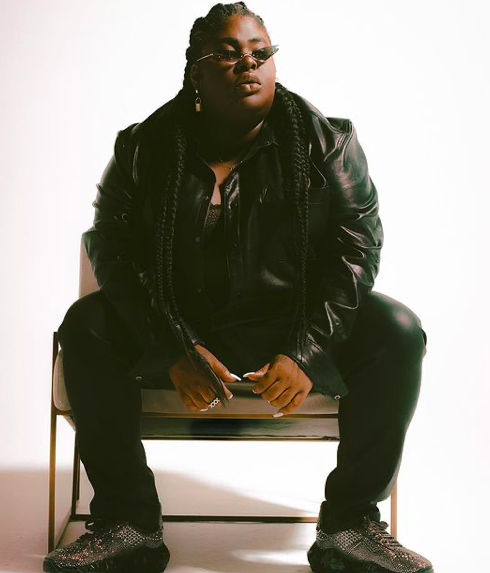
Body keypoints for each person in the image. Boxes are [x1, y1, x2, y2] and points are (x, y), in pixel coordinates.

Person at [43, 3, 434, 573]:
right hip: (180, 326)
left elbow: (357, 250)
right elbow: (112, 248)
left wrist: (307, 351)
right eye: (227, 54)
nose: (248, 64)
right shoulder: (143, 146)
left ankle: (350, 527)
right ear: (195, 72)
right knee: (87, 326)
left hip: (290, 324)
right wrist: (172, 346)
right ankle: (128, 523)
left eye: (260, 52)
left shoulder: (327, 141)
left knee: (397, 330)